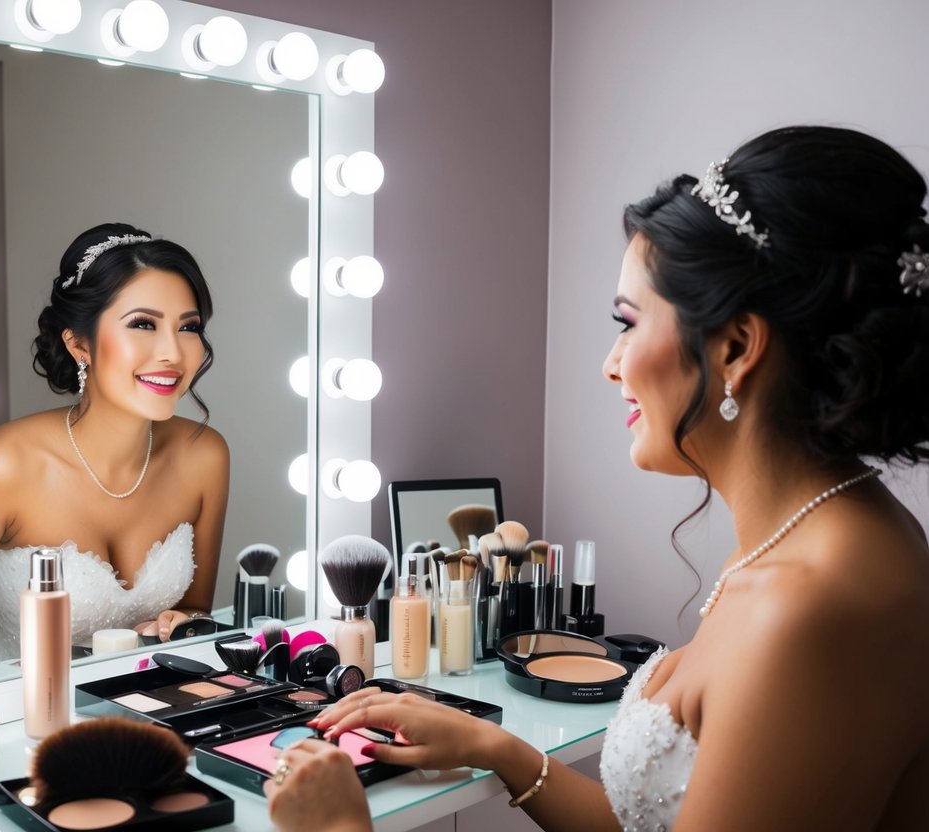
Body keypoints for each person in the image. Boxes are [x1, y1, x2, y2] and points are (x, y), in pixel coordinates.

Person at [265, 127, 929, 831]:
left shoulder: (804, 603)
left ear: (734, 348)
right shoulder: (824, 536)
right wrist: (499, 750)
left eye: (627, 322)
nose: (610, 365)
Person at [0, 223, 229, 658]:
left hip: (148, 711)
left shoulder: (204, 456)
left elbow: (194, 613)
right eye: (143, 324)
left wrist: (182, 622)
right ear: (79, 344)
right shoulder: (5, 465)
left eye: (188, 327)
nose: (173, 351)